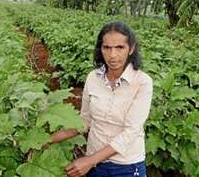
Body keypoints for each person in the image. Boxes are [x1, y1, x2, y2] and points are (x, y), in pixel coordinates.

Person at [45, 21, 153, 177]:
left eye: (120, 48)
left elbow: (130, 132)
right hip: (95, 164)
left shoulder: (142, 82)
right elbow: (85, 121)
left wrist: (89, 161)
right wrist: (46, 140)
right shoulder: (93, 77)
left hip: (126, 166)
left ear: (131, 49)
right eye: (107, 48)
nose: (113, 55)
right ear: (100, 49)